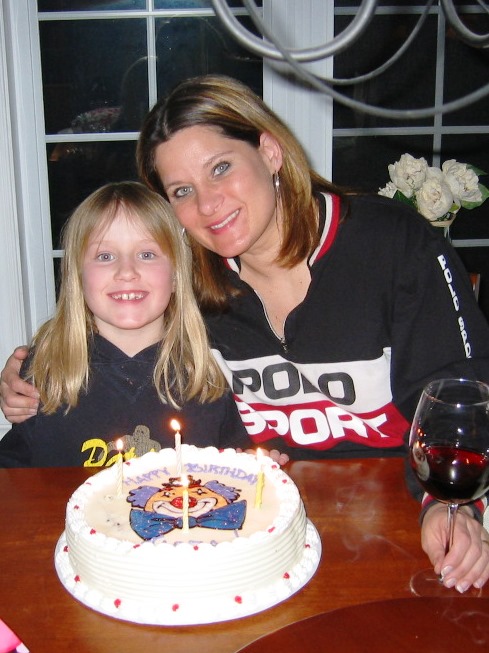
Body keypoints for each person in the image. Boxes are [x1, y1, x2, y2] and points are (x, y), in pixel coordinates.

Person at [2, 76, 489, 592]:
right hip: (254, 527)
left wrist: (451, 506)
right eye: (182, 191)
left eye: (221, 168)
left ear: (270, 152)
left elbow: (461, 393)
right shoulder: (187, 280)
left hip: (401, 502)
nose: (208, 204)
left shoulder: (391, 243)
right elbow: (113, 328)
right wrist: (36, 368)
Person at [0, 181, 254, 468]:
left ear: (175, 275)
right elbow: (14, 472)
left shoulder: (211, 372)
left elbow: (239, 466)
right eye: (105, 256)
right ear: (78, 277)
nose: (126, 271)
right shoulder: (45, 371)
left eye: (147, 254)